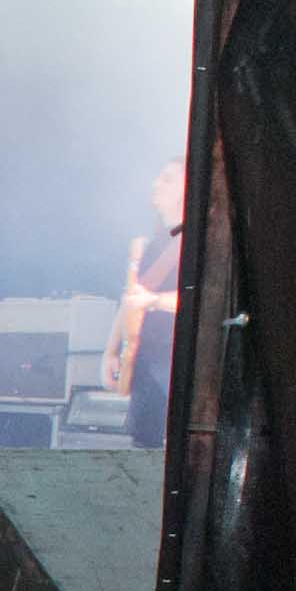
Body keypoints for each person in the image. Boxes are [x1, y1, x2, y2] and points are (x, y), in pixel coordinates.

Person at [108, 156, 189, 454]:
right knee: (141, 446)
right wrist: (111, 350)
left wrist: (154, 301)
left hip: (173, 359)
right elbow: (130, 298)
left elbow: (203, 299)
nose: (156, 184)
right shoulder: (148, 244)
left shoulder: (195, 242)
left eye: (168, 179)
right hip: (143, 360)